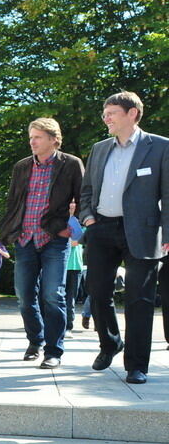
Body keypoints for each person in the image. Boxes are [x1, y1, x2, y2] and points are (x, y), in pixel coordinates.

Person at [79, 91, 169, 384]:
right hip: (102, 228)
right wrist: (88, 218)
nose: (106, 117)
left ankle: (137, 365)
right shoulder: (100, 148)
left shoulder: (160, 147)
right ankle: (110, 343)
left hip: (143, 232)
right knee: (98, 291)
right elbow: (87, 189)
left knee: (139, 299)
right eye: (105, 112)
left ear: (132, 114)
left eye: (112, 112)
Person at [0, 118, 82, 368]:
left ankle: (54, 351)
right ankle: (36, 340)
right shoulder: (22, 167)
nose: (32, 141)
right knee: (24, 295)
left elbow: (84, 198)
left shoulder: (71, 164)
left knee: (53, 295)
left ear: (54, 139)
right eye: (31, 137)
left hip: (55, 238)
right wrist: (8, 231)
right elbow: (13, 202)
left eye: (38, 137)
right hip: (25, 238)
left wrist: (72, 232)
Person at [65, 202, 85, 336]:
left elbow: (76, 242)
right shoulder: (58, 222)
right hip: (59, 264)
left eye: (74, 202)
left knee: (70, 298)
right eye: (70, 202)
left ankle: (68, 327)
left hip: (75, 266)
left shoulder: (82, 223)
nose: (72, 205)